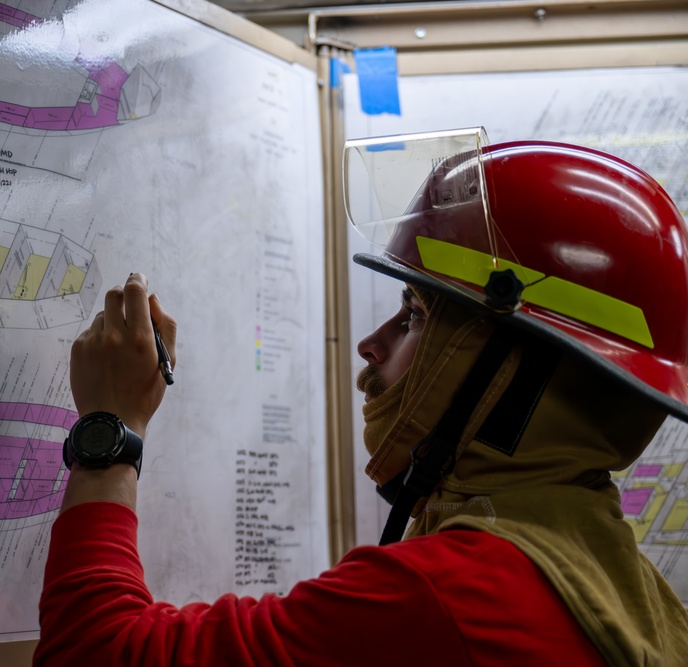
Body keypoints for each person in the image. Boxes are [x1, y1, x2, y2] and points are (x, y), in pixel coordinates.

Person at [34, 131, 688, 666]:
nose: (370, 346)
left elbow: (92, 651)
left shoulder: (447, 594)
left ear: (510, 371)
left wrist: (111, 429)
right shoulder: (623, 583)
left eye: (415, 315)